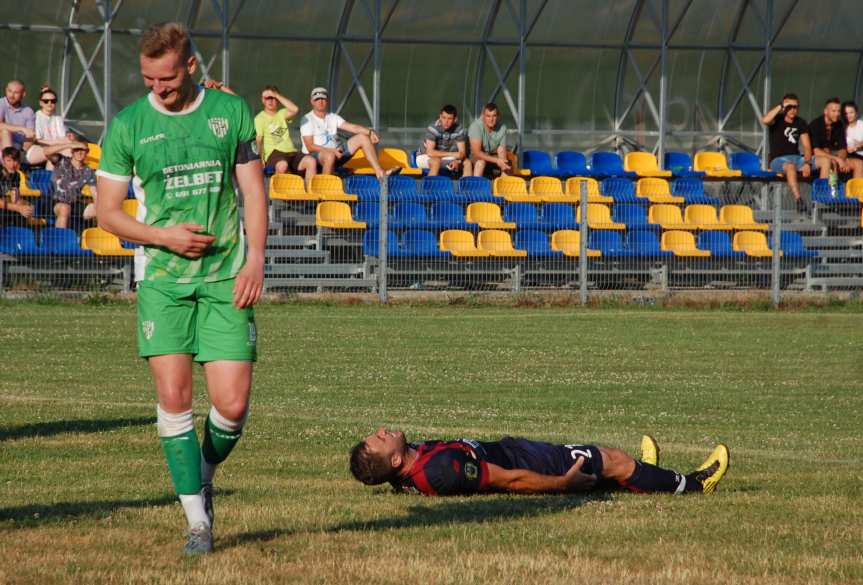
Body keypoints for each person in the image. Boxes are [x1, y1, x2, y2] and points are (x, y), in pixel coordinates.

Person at [95, 21, 267, 556]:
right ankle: (197, 523)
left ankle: (203, 472)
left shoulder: (229, 112)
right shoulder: (126, 126)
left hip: (225, 276)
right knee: (174, 398)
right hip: (163, 282)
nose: (157, 90)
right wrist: (162, 236)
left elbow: (254, 191)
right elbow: (107, 213)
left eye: (166, 80)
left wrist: (257, 258)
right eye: (149, 80)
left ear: (191, 66)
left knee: (233, 405)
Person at [351, 428, 729, 497]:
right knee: (611, 459)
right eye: (381, 439)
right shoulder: (440, 470)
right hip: (524, 461)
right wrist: (560, 486)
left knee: (603, 460)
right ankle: (694, 484)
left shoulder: (405, 468)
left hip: (513, 450)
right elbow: (508, 481)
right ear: (397, 459)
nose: (383, 430)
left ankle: (647, 476)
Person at [300, 87, 398, 178]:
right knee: (329, 156)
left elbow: (353, 127)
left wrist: (370, 132)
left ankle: (380, 172)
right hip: (315, 157)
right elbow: (310, 146)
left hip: (337, 154)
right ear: (312, 102)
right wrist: (332, 151)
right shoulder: (307, 119)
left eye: (323, 99)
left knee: (362, 137)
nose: (320, 102)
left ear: (327, 101)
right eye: (317, 99)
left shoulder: (332, 117)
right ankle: (326, 188)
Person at [761, 93, 813, 212]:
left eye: (796, 107)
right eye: (790, 107)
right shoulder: (777, 120)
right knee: (790, 167)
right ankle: (799, 200)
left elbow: (806, 146)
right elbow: (765, 120)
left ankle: (824, 197)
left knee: (824, 161)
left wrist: (807, 163)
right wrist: (781, 106)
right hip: (778, 160)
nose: (793, 110)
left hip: (796, 158)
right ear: (784, 107)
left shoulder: (800, 122)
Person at [254, 85, 316, 182]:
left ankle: (309, 196)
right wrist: (260, 160)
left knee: (311, 162)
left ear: (278, 100)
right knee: (283, 165)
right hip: (274, 154)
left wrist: (276, 94)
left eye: (273, 98)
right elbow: (259, 140)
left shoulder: (282, 113)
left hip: (291, 152)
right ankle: (278, 194)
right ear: (263, 100)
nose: (270, 101)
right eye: (267, 98)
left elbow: (295, 109)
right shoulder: (259, 118)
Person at [25, 87, 81, 168]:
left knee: (67, 150)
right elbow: (38, 141)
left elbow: (63, 137)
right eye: (46, 101)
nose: (49, 103)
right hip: (36, 150)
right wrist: (61, 143)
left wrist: (69, 139)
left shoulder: (58, 118)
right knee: (58, 152)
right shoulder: (36, 117)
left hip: (55, 149)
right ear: (40, 103)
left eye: (53, 101)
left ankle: (57, 177)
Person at [809, 97, 862, 179]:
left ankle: (857, 191)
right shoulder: (815, 125)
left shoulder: (839, 124)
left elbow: (843, 148)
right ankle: (830, 190)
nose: (837, 114)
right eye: (833, 111)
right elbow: (816, 151)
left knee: (859, 164)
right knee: (830, 159)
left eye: (838, 111)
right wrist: (837, 159)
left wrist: (842, 160)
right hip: (817, 158)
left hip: (834, 155)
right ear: (825, 111)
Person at [417, 104, 472, 177]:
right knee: (436, 162)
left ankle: (466, 188)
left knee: (467, 163)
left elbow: (462, 153)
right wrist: (452, 155)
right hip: (425, 156)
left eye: (449, 118)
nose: (446, 121)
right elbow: (430, 152)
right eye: (444, 117)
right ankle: (430, 187)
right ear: (440, 116)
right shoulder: (433, 128)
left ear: (455, 119)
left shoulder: (459, 130)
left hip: (445, 157)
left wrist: (458, 161)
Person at [52, 143, 98, 229]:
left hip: (75, 203)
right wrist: (68, 145)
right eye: (77, 149)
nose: (80, 152)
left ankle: (101, 239)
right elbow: (46, 152)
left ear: (87, 153)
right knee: (65, 208)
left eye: (83, 150)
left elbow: (94, 193)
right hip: (56, 202)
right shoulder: (62, 161)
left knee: (100, 209)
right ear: (72, 151)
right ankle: (61, 240)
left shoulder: (89, 171)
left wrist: (100, 206)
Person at [469, 102, 511, 178]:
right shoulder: (475, 126)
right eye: (488, 116)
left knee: (506, 164)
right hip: (474, 157)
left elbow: (501, 150)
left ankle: (502, 187)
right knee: (481, 162)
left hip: (491, 155)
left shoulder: (502, 127)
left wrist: (503, 162)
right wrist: (497, 160)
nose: (491, 119)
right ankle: (476, 187)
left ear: (498, 116)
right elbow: (477, 153)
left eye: (494, 116)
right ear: (483, 116)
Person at [0, 146, 34, 226]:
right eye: (9, 160)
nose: (12, 164)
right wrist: (19, 208)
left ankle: (19, 234)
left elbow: (15, 196)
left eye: (15, 160)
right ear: (3, 161)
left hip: (6, 208)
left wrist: (25, 206)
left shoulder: (16, 175)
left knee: (24, 209)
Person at [0, 80, 35, 153]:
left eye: (16, 93)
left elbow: (30, 135)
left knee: (47, 153)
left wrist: (23, 151)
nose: (11, 95)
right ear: (6, 90)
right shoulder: (1, 103)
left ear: (23, 94)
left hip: (19, 149)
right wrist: (22, 129)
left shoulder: (29, 111)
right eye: (9, 91)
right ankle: (8, 161)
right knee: (5, 132)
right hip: (2, 144)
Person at [842, 101, 863, 166]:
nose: (848, 115)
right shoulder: (843, 128)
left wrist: (859, 145)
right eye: (846, 113)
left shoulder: (861, 125)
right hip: (848, 156)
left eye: (851, 112)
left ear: (856, 113)